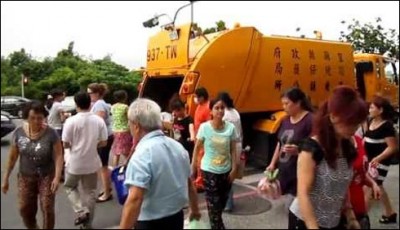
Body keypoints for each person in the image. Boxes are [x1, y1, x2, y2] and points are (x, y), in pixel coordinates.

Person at [289, 86, 368, 229]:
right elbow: (303, 194)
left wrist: (350, 216)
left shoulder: (348, 146)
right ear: (333, 117)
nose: (355, 128)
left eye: (357, 123)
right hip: (306, 221)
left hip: (334, 220)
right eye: (351, 123)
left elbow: (343, 184)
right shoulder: (311, 149)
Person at [119, 98, 200, 229]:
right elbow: (189, 183)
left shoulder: (141, 155)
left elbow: (135, 199)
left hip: (150, 222)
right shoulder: (178, 147)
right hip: (176, 217)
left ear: (136, 126)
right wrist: (195, 209)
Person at [2, 101, 63, 229]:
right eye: (32, 118)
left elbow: (58, 155)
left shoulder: (51, 133)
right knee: (24, 208)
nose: (36, 121)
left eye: (39, 118)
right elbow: (13, 157)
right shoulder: (19, 132)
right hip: (26, 176)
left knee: (47, 208)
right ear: (26, 117)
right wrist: (5, 178)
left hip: (47, 175)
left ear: (44, 117)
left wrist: (57, 177)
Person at [62, 92, 108, 228]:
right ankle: (88, 225)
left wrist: (75, 145)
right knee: (91, 192)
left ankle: (81, 210)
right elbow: (104, 142)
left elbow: (65, 144)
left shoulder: (71, 121)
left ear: (76, 104)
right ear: (90, 103)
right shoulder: (98, 121)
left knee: (69, 186)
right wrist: (93, 144)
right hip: (92, 163)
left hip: (75, 162)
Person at [191, 96, 238, 229]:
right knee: (214, 208)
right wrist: (194, 165)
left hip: (226, 171)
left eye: (222, 108)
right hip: (209, 171)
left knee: (221, 205)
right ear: (211, 111)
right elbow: (197, 147)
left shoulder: (230, 128)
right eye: (216, 108)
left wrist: (234, 168)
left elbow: (233, 150)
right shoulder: (204, 128)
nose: (220, 111)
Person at [266, 87, 313, 208]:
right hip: (286, 171)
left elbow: (317, 146)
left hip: (301, 172)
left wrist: (299, 151)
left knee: (294, 209)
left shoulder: (310, 120)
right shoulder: (286, 120)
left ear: (298, 103)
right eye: (283, 103)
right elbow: (280, 144)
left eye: (287, 103)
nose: (284, 107)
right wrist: (272, 163)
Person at [363, 95, 398, 224]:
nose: (369, 109)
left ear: (381, 110)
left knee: (370, 187)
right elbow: (366, 139)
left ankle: (362, 218)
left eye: (372, 107)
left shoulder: (387, 126)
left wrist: (378, 158)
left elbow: (392, 147)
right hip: (369, 160)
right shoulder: (370, 121)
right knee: (378, 186)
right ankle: (390, 213)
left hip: (380, 162)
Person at [342, 134, 381, 229]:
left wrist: (373, 184)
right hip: (341, 210)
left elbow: (361, 172)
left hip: (359, 206)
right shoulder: (334, 145)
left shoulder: (358, 140)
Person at [87, 83, 114, 203]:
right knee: (101, 165)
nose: (89, 95)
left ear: (97, 93)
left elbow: (98, 122)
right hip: (105, 137)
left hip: (103, 138)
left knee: (102, 166)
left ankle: (107, 192)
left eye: (90, 93)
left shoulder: (99, 104)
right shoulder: (99, 104)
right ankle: (106, 188)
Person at [217, 92, 243, 212]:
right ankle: (228, 202)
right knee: (230, 174)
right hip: (237, 144)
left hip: (229, 145)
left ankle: (228, 203)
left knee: (226, 174)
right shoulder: (235, 112)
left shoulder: (225, 114)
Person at [193, 87, 211, 191]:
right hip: (198, 138)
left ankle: (202, 183)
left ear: (202, 97)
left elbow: (208, 125)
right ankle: (200, 181)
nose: (195, 99)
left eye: (196, 97)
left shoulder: (207, 107)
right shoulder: (200, 106)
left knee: (202, 161)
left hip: (204, 139)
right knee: (199, 161)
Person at [110, 90, 132, 167]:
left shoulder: (112, 107)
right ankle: (128, 167)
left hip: (115, 130)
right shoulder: (125, 107)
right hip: (125, 131)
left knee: (116, 152)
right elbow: (130, 118)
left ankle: (114, 170)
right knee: (127, 152)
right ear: (124, 97)